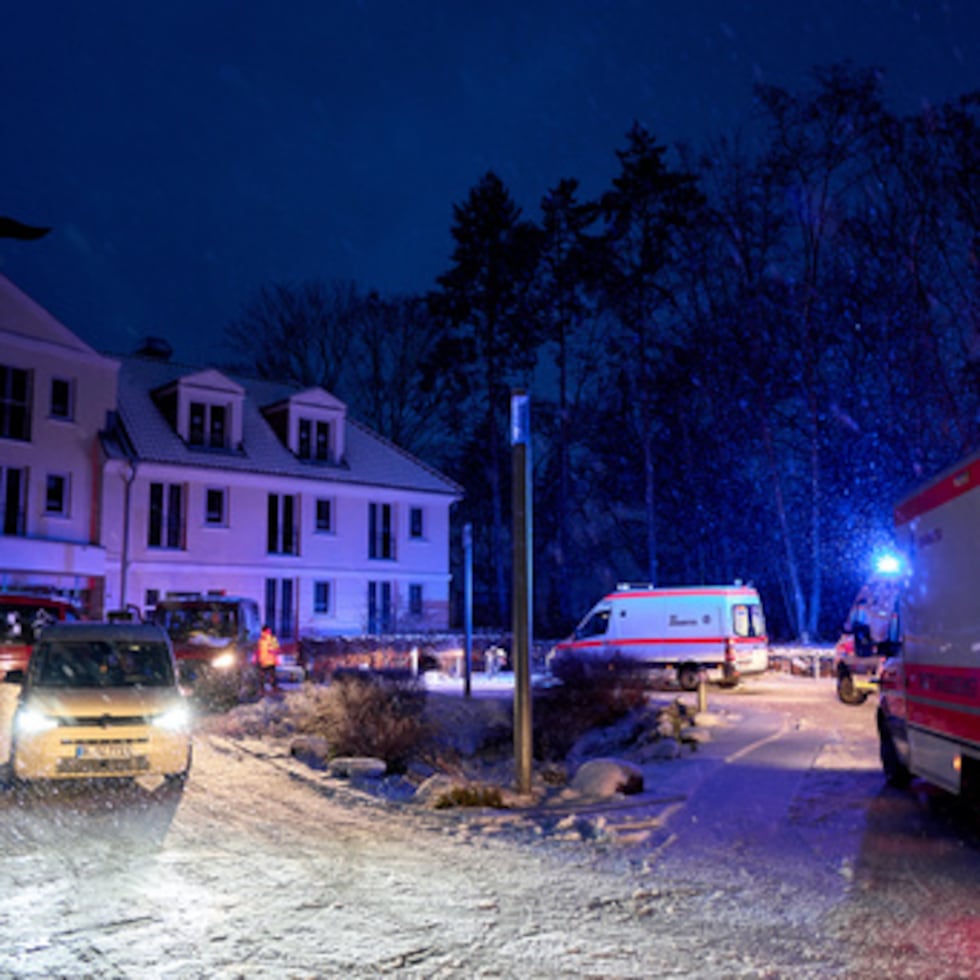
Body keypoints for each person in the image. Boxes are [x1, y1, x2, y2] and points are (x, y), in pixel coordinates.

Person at [256, 624, 280, 694]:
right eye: (268, 631)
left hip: (271, 661)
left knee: (271, 676)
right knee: (262, 676)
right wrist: (256, 658)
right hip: (263, 661)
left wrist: (273, 652)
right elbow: (259, 650)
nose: (269, 632)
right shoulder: (261, 640)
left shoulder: (272, 639)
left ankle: (273, 688)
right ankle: (262, 689)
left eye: (269, 631)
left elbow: (277, 649)